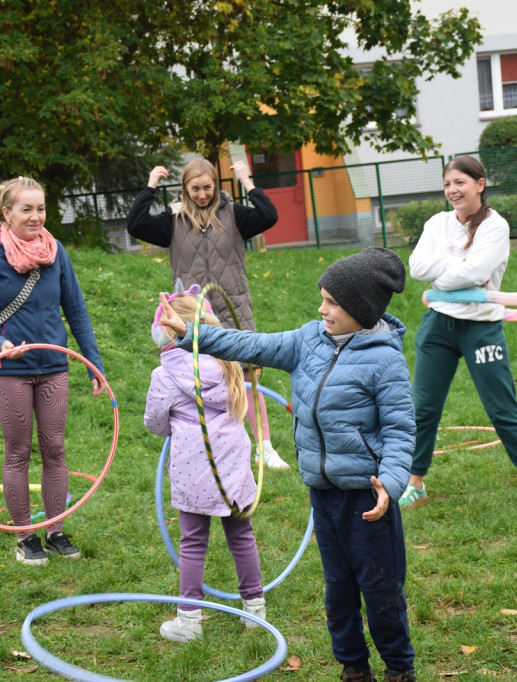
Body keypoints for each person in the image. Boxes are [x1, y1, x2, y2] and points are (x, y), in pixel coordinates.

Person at [157, 247, 417, 682]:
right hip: (324, 493)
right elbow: (249, 344)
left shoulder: (384, 359)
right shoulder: (308, 339)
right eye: (323, 298)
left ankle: (398, 669)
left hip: (368, 497)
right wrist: (192, 333)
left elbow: (400, 429)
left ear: (360, 309)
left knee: (380, 590)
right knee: (338, 592)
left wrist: (390, 483)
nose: (322, 308)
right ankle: (353, 669)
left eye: (332, 302)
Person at [0, 176, 107, 566]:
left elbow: (76, 310)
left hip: (54, 365)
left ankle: (56, 530)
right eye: (26, 209)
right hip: (10, 369)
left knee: (55, 449)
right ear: (5, 212)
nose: (35, 216)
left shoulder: (55, 251)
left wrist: (93, 361)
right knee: (17, 452)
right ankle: (24, 535)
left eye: (40, 208)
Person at [397, 156, 517, 511]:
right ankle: (415, 483)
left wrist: (448, 275)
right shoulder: (437, 224)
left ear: (480, 184)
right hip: (439, 326)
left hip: (481, 328)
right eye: (448, 184)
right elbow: (417, 267)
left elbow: (478, 270)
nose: (452, 190)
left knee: (501, 407)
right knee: (423, 408)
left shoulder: (495, 227)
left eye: (460, 183)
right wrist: (458, 271)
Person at [127, 158, 290, 472]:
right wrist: (150, 185)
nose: (202, 195)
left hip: (233, 308)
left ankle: (265, 448)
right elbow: (135, 225)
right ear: (185, 189)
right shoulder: (172, 222)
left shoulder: (233, 214)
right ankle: (219, 446)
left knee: (247, 377)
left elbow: (269, 215)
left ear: (216, 186)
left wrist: (247, 180)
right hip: (193, 315)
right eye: (195, 189)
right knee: (203, 381)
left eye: (207, 188)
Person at [144, 289, 266, 643]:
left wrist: (174, 425)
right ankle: (254, 610)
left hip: (192, 469)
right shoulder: (227, 363)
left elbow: (154, 423)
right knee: (242, 536)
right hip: (234, 466)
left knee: (193, 542)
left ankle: (190, 619)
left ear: (166, 331)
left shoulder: (164, 374)